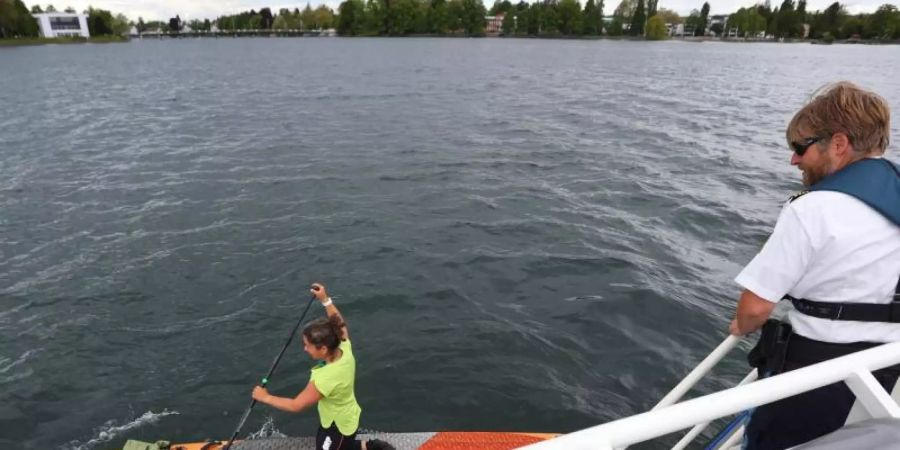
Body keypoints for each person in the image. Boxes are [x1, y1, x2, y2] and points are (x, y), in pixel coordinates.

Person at [728, 81, 900, 450]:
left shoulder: (812, 209)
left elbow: (755, 309)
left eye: (800, 148)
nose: (794, 159)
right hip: (887, 369)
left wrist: (741, 324)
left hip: (816, 373)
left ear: (838, 145)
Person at [252, 283, 394, 450]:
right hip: (339, 417)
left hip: (340, 426)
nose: (305, 349)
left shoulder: (324, 378)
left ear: (323, 348)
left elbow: (296, 405)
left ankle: (372, 448)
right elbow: (340, 325)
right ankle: (370, 446)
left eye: (308, 345)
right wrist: (325, 300)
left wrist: (265, 397)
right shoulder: (344, 348)